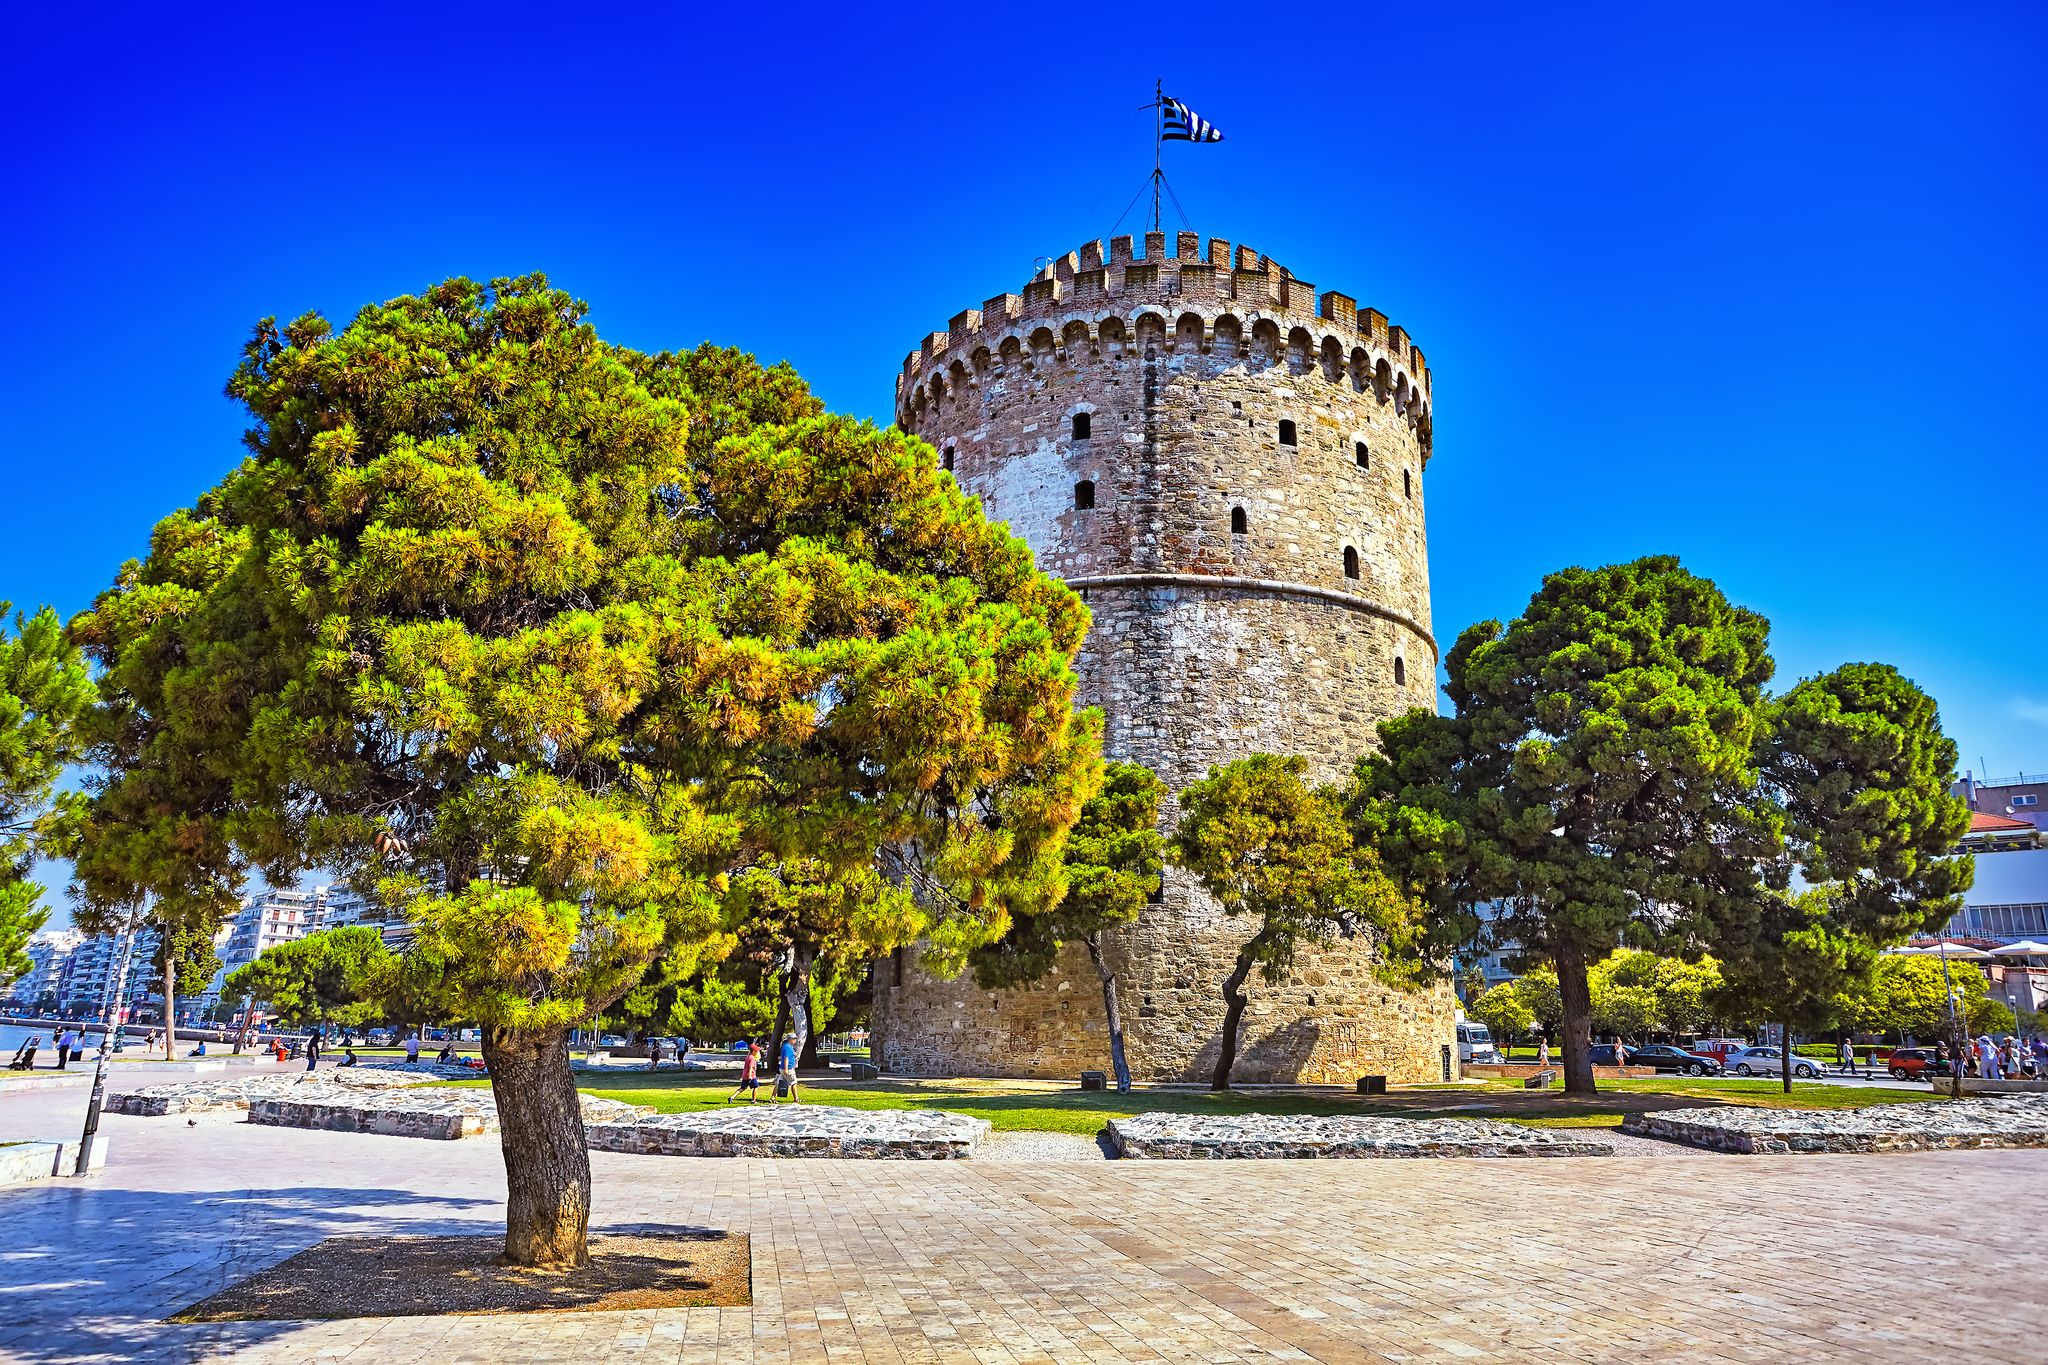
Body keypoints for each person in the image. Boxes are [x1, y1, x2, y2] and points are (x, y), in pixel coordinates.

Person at [776, 1034, 801, 1103]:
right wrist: (786, 1069)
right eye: (794, 1039)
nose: (795, 1040)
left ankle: (772, 1097)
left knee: (779, 1083)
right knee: (793, 1083)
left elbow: (782, 1057)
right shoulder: (788, 1047)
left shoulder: (786, 1046)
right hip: (788, 1068)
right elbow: (786, 1058)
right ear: (790, 1039)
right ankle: (796, 1098)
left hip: (783, 1068)